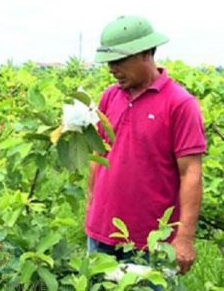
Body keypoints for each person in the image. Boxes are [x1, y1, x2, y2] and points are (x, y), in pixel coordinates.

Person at [85, 16, 206, 277]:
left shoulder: (180, 103)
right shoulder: (109, 96)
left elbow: (190, 174)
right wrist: (91, 204)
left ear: (144, 54)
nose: (112, 69)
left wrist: (184, 238)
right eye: (109, 62)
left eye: (119, 61)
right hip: (101, 234)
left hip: (150, 242)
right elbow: (99, 153)